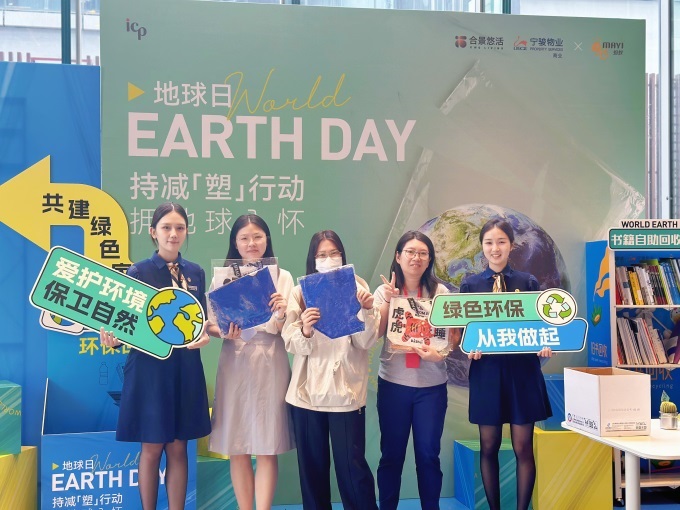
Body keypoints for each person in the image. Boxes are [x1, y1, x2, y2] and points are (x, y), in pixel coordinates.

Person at [100, 201, 211, 510]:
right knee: (151, 448)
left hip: (186, 368)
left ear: (186, 232)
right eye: (166, 227)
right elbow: (123, 323)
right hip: (150, 371)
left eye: (179, 228)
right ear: (153, 232)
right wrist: (113, 340)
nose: (173, 234)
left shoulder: (196, 272)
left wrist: (204, 336)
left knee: (178, 448)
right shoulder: (139, 271)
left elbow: (200, 321)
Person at [459, 217, 553, 510]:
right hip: (487, 373)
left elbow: (541, 327)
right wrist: (470, 349)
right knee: (488, 446)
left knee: (523, 447)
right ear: (482, 247)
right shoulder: (470, 285)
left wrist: (546, 343)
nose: (495, 248)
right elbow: (464, 332)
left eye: (501, 242)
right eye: (489, 243)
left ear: (511, 245)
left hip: (523, 373)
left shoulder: (528, 282)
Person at [282, 230, 379, 510]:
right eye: (322, 255)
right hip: (306, 396)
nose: (329, 259)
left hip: (346, 394)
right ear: (313, 259)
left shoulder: (358, 286)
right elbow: (291, 342)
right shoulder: (300, 292)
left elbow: (365, 342)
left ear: (343, 256)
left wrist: (366, 310)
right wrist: (305, 328)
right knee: (312, 471)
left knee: (352, 469)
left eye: (334, 253)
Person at [206, 214, 294, 510]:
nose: (251, 243)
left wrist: (281, 312)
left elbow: (288, 327)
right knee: (238, 444)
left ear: (267, 239)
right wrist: (224, 332)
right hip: (234, 360)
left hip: (270, 359)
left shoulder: (283, 277)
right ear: (235, 243)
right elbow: (211, 323)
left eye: (257, 236)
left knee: (267, 444)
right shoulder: (222, 278)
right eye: (244, 238)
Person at [374, 230, 451, 510]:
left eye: (422, 253)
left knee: (428, 456)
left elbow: (450, 338)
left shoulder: (441, 293)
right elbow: (376, 333)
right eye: (410, 252)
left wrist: (439, 355)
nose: (416, 258)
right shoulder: (384, 291)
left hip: (431, 388)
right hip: (393, 385)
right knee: (391, 455)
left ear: (429, 259)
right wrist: (388, 300)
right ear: (398, 256)